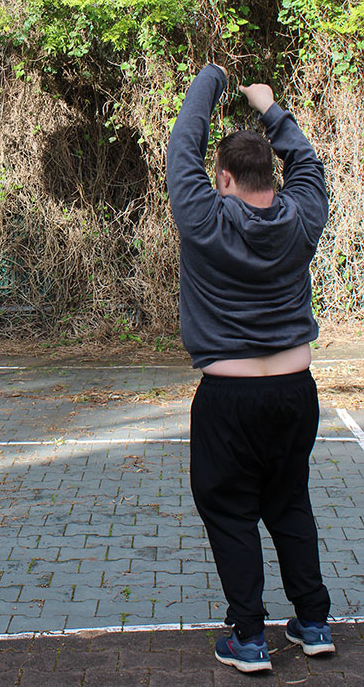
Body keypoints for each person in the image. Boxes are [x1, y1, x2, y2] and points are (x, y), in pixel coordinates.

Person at [166, 63, 334, 673]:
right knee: (288, 502)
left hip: (228, 399)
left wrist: (209, 79)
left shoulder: (204, 218)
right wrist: (269, 105)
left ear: (225, 178)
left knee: (231, 511)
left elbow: (181, 149)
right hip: (295, 391)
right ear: (273, 175)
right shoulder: (302, 217)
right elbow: (309, 165)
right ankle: (313, 623)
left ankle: (249, 637)